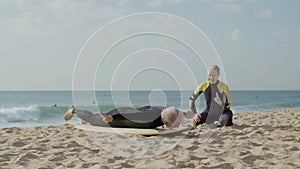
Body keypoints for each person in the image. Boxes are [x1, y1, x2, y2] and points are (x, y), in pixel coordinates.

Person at [64, 105, 194, 129]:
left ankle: (81, 117)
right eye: (178, 123)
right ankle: (74, 111)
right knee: (93, 119)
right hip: (118, 118)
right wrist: (113, 118)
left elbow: (175, 112)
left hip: (125, 112)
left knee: (92, 119)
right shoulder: (149, 118)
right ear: (166, 123)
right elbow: (132, 116)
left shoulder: (164, 111)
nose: (180, 124)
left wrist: (186, 114)